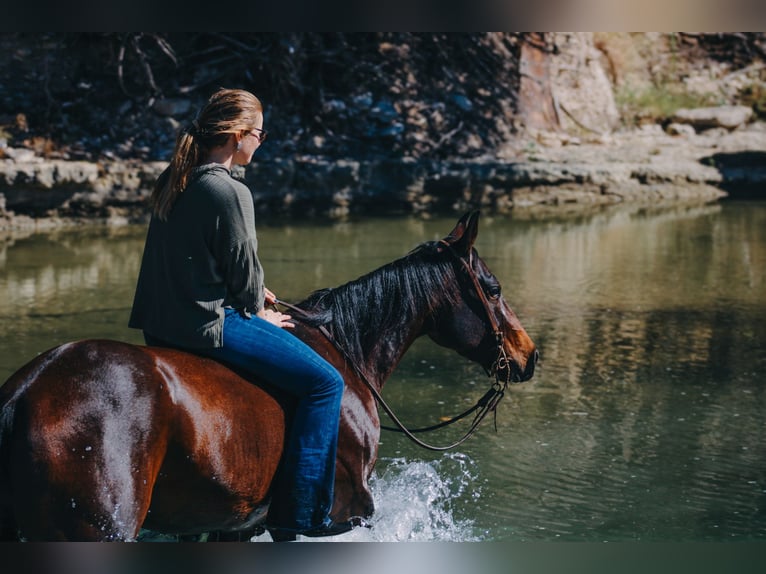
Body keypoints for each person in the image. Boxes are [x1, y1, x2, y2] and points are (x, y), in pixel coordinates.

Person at [129, 88, 352, 540]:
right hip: (207, 326)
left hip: (161, 325)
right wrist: (259, 312)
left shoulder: (178, 177)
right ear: (235, 135)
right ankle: (305, 513)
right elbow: (246, 287)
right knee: (326, 383)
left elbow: (192, 259)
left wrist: (244, 288)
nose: (260, 141)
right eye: (258, 133)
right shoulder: (230, 190)